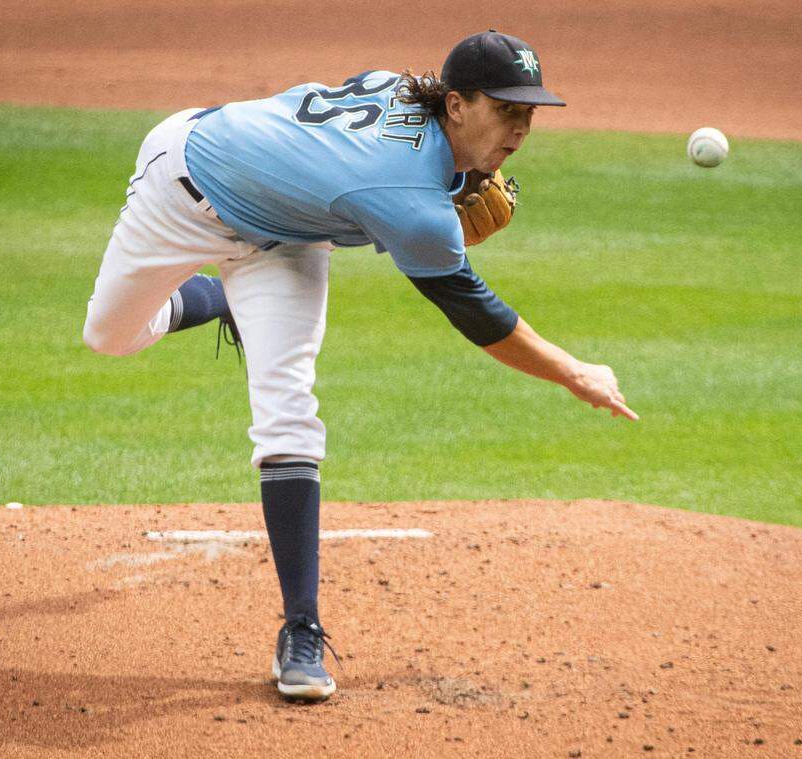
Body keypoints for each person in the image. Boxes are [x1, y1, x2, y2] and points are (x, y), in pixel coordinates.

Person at [82, 29, 638, 702]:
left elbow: (360, 154)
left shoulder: (403, 89)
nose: (520, 127)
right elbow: (477, 315)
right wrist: (574, 371)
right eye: (505, 109)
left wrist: (452, 182)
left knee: (287, 412)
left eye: (528, 113)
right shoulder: (412, 203)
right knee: (111, 335)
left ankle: (302, 629)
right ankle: (215, 299)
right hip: (183, 184)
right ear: (456, 106)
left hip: (286, 240)